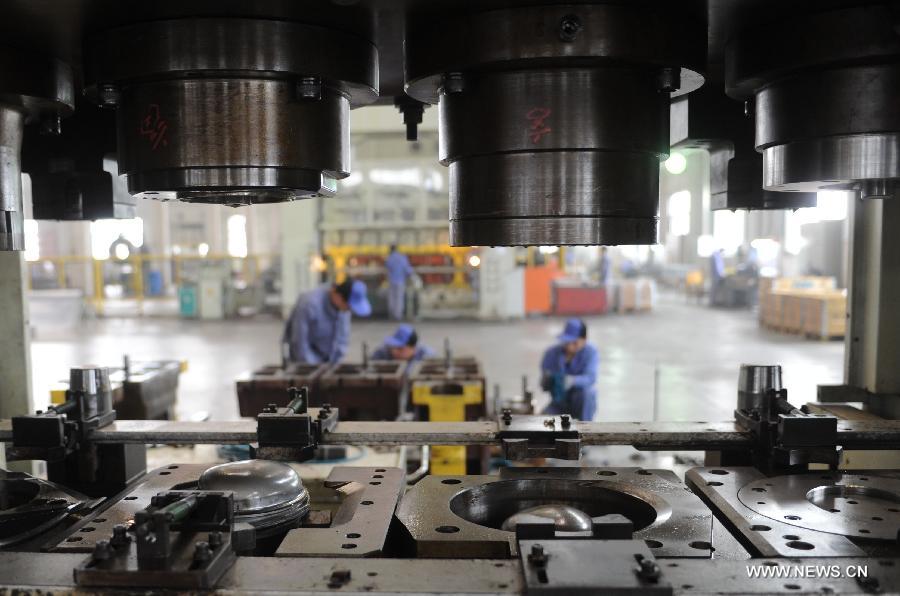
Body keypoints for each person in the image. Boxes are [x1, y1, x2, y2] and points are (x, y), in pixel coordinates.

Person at [282, 278, 371, 365]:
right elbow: (299, 344)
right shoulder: (308, 304)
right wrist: (313, 368)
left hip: (327, 363)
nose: (349, 310)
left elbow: (342, 340)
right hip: (303, 365)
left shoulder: (343, 309)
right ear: (338, 296)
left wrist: (334, 365)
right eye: (348, 307)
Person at [539, 318, 599, 421]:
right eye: (567, 342)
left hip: (581, 402)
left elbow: (591, 378)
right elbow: (544, 382)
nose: (570, 346)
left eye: (574, 343)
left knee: (587, 393)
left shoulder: (591, 352)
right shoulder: (552, 353)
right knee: (542, 423)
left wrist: (572, 381)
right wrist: (547, 381)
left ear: (584, 340)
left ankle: (586, 427)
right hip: (559, 403)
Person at [384, 245, 415, 320]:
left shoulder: (389, 258)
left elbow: (387, 268)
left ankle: (391, 314)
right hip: (400, 281)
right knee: (399, 298)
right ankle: (398, 315)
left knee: (391, 298)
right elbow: (408, 270)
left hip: (391, 281)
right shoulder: (402, 258)